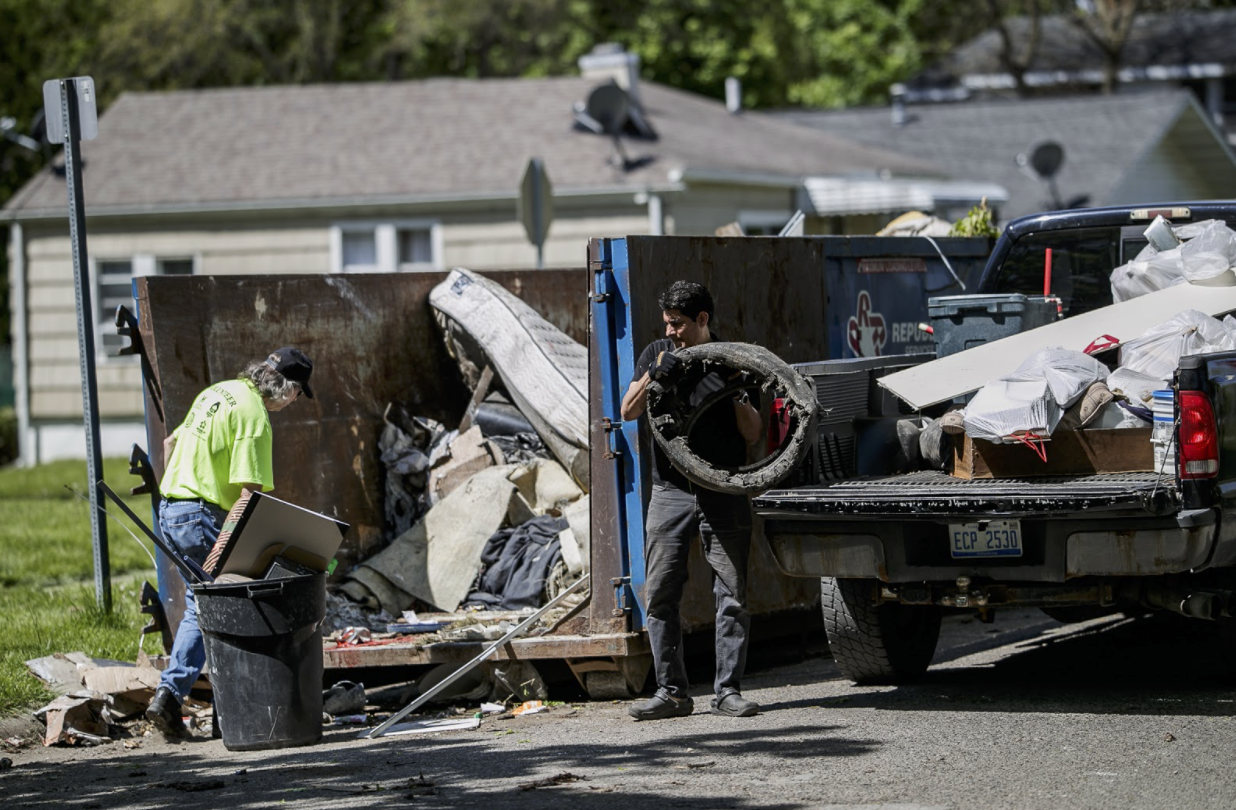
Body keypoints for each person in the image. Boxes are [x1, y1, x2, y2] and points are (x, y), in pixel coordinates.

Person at [145, 346, 314, 736]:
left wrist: (182, 492)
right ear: (289, 390)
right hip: (202, 515)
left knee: (201, 605)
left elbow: (170, 444)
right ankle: (236, 713)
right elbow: (249, 497)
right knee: (231, 605)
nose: (293, 403)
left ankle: (171, 699)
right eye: (298, 395)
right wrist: (225, 546)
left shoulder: (217, 392)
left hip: (172, 508)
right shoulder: (255, 415)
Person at [620, 281, 762, 721]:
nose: (671, 331)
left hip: (723, 488)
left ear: (702, 320)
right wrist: (652, 376)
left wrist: (737, 390)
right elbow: (626, 410)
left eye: (678, 324)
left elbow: (754, 434)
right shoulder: (657, 352)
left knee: (731, 593)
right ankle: (672, 693)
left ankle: (728, 692)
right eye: (667, 322)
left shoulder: (733, 359)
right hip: (670, 491)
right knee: (660, 592)